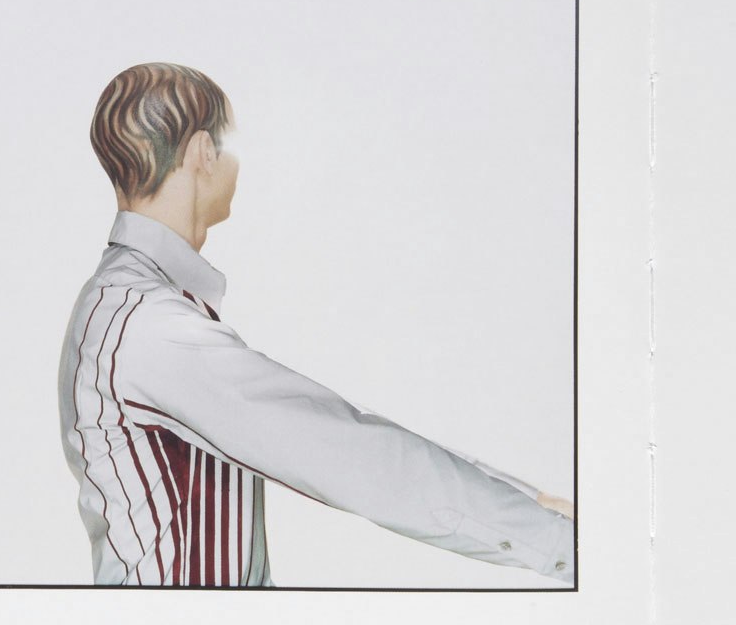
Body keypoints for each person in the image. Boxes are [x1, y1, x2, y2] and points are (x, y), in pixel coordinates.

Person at [58, 62, 575, 588]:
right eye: (232, 144)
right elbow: (351, 452)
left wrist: (529, 499)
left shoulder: (134, 305)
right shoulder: (149, 325)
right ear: (203, 152)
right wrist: (555, 540)